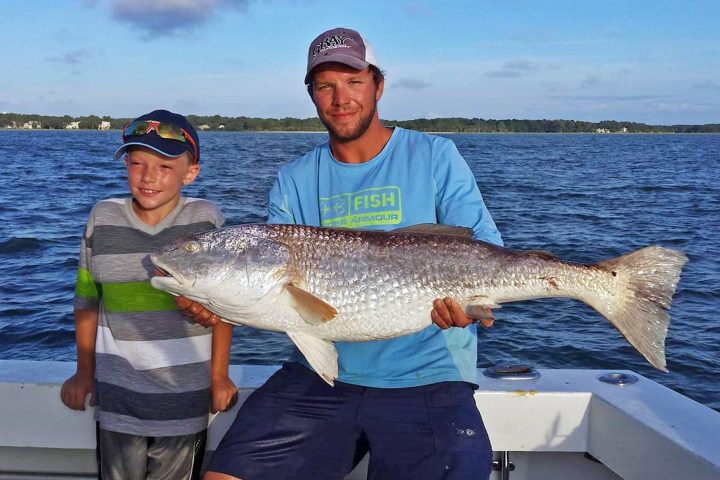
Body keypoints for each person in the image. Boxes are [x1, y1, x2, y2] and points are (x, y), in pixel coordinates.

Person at [184, 27, 502, 480]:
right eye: (325, 85)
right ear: (311, 94)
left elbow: (486, 250)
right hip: (317, 376)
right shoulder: (293, 179)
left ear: (378, 85)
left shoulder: (435, 155)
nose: (341, 98)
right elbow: (274, 296)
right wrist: (217, 305)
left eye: (353, 81)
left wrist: (473, 306)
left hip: (430, 377)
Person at [60, 109, 238, 480]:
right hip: (117, 398)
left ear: (191, 173)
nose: (148, 176)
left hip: (184, 400)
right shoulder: (102, 216)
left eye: (165, 166)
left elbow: (223, 304)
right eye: (136, 162)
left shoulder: (206, 218)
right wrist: (84, 372)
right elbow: (87, 299)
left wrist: (219, 377)